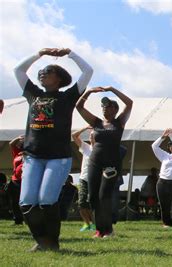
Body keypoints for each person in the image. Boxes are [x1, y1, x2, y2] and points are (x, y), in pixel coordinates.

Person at [14, 47, 93, 251]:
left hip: (57, 158)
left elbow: (88, 72)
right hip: (32, 156)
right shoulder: (33, 94)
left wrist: (70, 53)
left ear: (59, 78)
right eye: (41, 72)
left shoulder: (68, 96)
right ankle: (42, 241)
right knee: (27, 202)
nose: (42, 73)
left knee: (46, 201)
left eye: (48, 71)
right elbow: (18, 70)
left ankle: (52, 243)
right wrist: (39, 54)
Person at [76, 86, 133, 238]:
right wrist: (88, 92)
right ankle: (99, 230)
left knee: (104, 196)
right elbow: (79, 106)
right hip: (95, 161)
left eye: (107, 106)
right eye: (102, 106)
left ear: (115, 109)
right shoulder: (96, 123)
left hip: (112, 163)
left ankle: (108, 230)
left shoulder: (119, 122)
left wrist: (113, 89)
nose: (104, 109)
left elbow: (129, 103)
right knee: (93, 196)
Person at [72, 126, 96, 232]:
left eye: (93, 136)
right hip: (83, 178)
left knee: (92, 204)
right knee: (81, 203)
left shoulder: (101, 150)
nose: (91, 138)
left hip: (94, 179)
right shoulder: (86, 147)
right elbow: (74, 136)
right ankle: (87, 224)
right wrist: (85, 128)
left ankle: (94, 224)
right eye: (90, 136)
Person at [8, 135, 25, 225]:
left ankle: (27, 218)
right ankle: (18, 219)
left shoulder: (31, 155)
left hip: (25, 180)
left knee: (25, 201)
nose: (21, 145)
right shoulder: (17, 153)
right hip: (15, 180)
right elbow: (11, 144)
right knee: (15, 201)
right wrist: (18, 137)